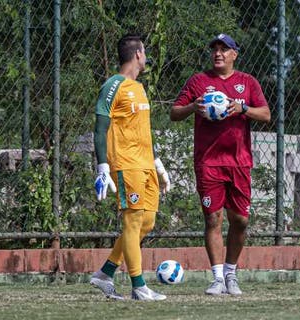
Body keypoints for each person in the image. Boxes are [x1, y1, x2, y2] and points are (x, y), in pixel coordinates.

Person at [170, 33, 271, 295]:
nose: (218, 53)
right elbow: (174, 112)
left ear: (234, 54)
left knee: (240, 221)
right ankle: (217, 278)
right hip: (208, 162)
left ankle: (230, 273)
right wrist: (194, 106)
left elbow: (266, 114)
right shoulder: (199, 81)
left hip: (238, 163)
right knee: (213, 218)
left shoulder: (247, 82)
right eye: (214, 49)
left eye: (224, 49)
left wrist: (242, 109)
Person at [90, 34, 171, 301]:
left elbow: (143, 131)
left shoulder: (139, 88)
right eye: (145, 52)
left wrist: (157, 163)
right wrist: (102, 166)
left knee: (146, 222)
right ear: (138, 54)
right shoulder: (114, 85)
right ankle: (139, 287)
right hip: (126, 164)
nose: (146, 57)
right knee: (133, 221)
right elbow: (100, 128)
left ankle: (105, 274)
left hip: (146, 164)